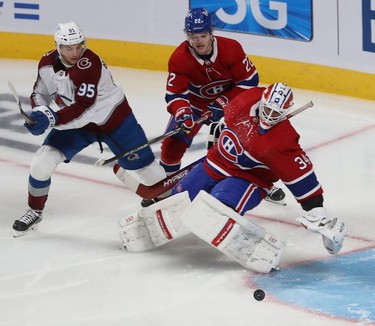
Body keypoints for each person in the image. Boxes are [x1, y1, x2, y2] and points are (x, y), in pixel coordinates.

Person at [118, 82, 346, 273]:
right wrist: (209, 114)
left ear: (286, 112)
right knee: (180, 198)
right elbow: (223, 111)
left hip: (248, 179)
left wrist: (316, 210)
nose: (269, 116)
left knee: (217, 207)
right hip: (215, 162)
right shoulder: (247, 100)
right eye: (267, 109)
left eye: (276, 113)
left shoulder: (282, 142)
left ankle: (245, 239)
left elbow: (302, 176)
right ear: (262, 100)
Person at [12, 21, 166, 237]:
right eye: (68, 48)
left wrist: (51, 118)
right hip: (78, 125)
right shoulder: (47, 64)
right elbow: (40, 93)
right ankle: (35, 210)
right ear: (58, 47)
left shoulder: (89, 64)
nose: (75, 52)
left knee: (146, 168)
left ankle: (170, 203)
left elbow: (83, 109)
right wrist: (39, 112)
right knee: (42, 161)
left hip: (113, 119)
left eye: (78, 46)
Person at [141, 7, 286, 207]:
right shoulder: (179, 58)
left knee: (249, 141)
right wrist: (183, 113)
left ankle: (262, 182)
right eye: (193, 36)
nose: (199, 41)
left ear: (211, 33)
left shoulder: (231, 49)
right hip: (196, 104)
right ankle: (165, 188)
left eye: (203, 35)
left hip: (236, 103)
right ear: (187, 36)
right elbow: (176, 94)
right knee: (174, 141)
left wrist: (224, 102)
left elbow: (249, 81)